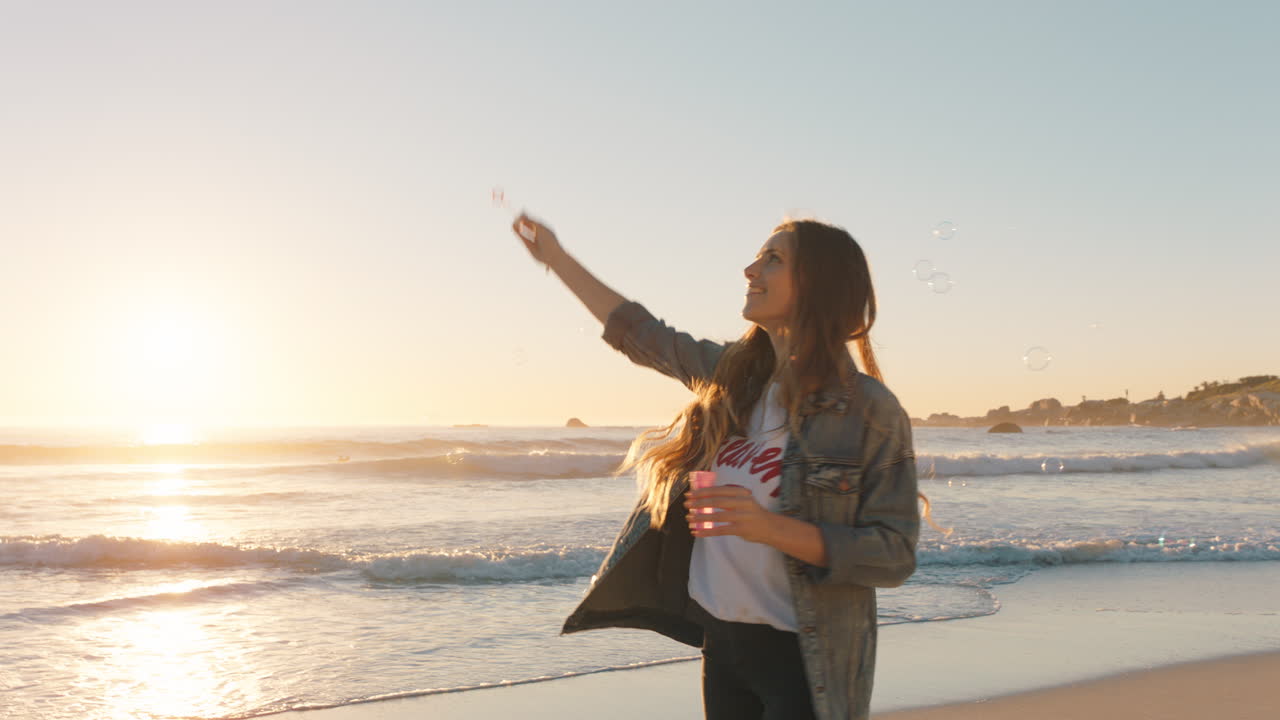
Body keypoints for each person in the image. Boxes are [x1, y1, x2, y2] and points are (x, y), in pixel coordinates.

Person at [511, 212, 923, 720]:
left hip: (807, 660)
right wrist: (555, 258)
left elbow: (894, 553)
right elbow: (642, 335)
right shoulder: (734, 379)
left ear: (818, 283)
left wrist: (769, 527)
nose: (750, 270)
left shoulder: (868, 410)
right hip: (724, 647)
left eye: (772, 259)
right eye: (757, 257)